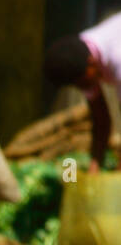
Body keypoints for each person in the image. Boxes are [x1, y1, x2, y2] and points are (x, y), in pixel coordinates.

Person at [43, 12, 121, 173]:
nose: (85, 87)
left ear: (91, 63)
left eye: (84, 83)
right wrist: (95, 164)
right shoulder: (80, 53)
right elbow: (101, 119)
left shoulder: (116, 57)